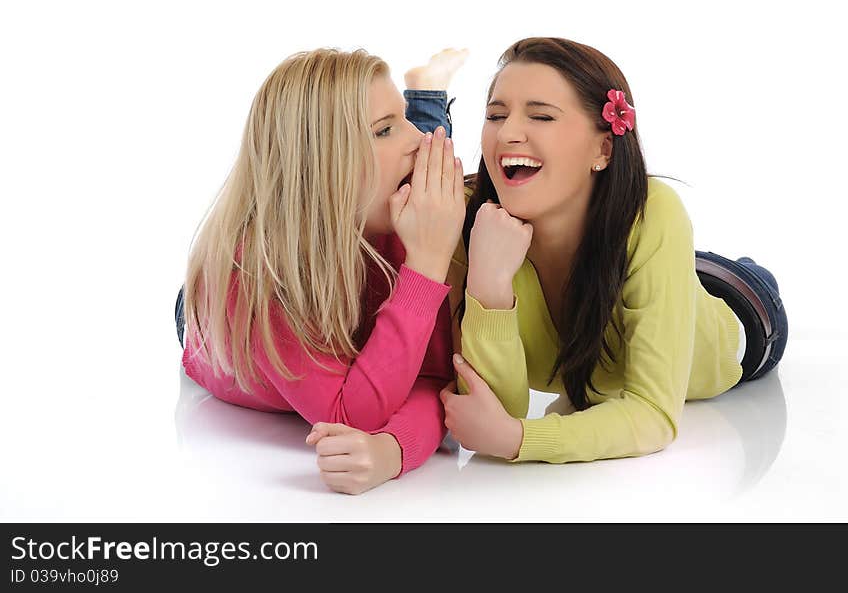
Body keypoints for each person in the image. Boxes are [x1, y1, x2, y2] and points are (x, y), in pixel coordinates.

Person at [436, 37, 789, 463]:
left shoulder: (655, 213)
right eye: (495, 115)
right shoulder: (470, 220)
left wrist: (520, 440)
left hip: (741, 304)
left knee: (719, 269)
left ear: (603, 148)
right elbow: (495, 412)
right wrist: (489, 284)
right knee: (662, 264)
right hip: (652, 264)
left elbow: (654, 414)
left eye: (541, 116)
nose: (507, 132)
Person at [175, 48, 468, 494]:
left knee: (429, 161)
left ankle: (424, 91)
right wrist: (426, 266)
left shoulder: (393, 215)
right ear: (323, 166)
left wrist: (393, 450)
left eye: (403, 119)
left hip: (349, 282)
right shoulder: (256, 275)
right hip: (211, 329)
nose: (417, 138)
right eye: (384, 129)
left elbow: (433, 378)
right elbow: (350, 416)